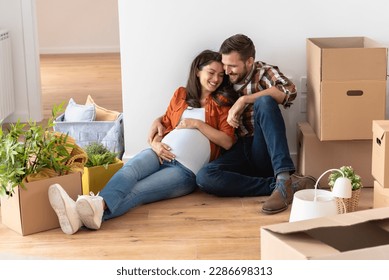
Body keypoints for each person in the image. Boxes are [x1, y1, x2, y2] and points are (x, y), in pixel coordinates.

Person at [48, 50, 238, 235]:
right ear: (198, 71)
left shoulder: (222, 103)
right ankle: (87, 213)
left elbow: (227, 141)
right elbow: (164, 124)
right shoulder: (181, 94)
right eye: (211, 73)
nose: (216, 79)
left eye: (221, 75)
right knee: (128, 170)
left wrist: (197, 124)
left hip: (184, 171)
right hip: (158, 153)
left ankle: (79, 213)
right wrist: (155, 144)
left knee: (138, 192)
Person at [149, 34, 316, 215]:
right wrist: (160, 119)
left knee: (265, 102)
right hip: (237, 148)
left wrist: (244, 100)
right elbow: (198, 101)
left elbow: (289, 91)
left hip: (263, 147)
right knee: (205, 178)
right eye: (224, 65)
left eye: (232, 66)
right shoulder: (224, 76)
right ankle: (283, 186)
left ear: (249, 62)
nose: (226, 72)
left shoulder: (263, 72)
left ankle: (283, 180)